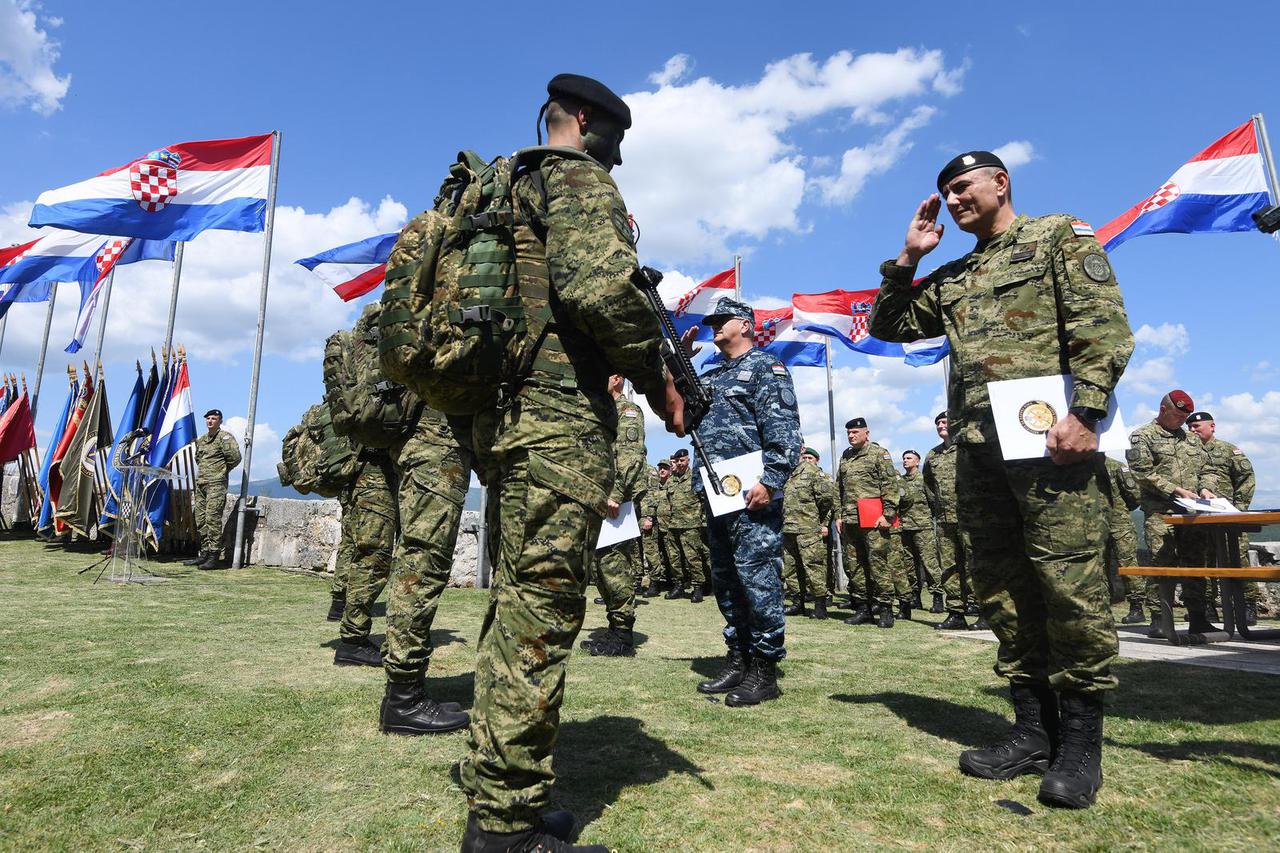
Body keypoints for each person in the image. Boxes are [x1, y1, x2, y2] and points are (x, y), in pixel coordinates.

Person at [457, 73, 682, 853]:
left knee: (516, 603)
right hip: (554, 424)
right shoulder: (575, 175)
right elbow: (599, 292)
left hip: (507, 421)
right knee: (543, 613)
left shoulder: (510, 183)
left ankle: (499, 782)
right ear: (586, 124)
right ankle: (506, 827)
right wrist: (658, 381)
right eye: (614, 140)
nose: (616, 157)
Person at [869, 150, 1134, 809]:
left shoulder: (1056, 237)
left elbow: (1103, 325)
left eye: (962, 187)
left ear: (1000, 183)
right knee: (1003, 591)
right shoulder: (955, 274)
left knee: (1069, 587)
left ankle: (1079, 746)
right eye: (945, 194)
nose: (953, 200)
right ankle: (1031, 730)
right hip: (980, 454)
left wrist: (1088, 411)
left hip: (1053, 445)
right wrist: (909, 258)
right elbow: (888, 324)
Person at [689, 296, 801, 706]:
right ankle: (739, 658)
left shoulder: (767, 369)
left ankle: (765, 669)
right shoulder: (711, 373)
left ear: (745, 325)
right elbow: (680, 418)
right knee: (727, 581)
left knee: (758, 579)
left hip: (753, 493)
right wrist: (676, 365)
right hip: (717, 492)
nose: (714, 326)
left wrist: (771, 481)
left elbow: (785, 430)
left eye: (722, 320)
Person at [379, 403, 473, 735]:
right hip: (437, 443)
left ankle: (405, 691)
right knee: (422, 567)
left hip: (428, 441)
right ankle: (404, 701)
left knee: (417, 562)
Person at [1127, 391, 1215, 635]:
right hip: (1160, 511)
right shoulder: (1142, 436)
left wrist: (1206, 487)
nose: (1181, 421)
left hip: (1191, 512)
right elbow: (1142, 473)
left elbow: (1208, 468)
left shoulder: (1192, 440)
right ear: (1163, 409)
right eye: (1178, 416)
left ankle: (1198, 616)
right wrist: (1176, 490)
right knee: (1161, 562)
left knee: (1195, 563)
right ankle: (1159, 617)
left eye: (1184, 417)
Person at [581, 375, 647, 656]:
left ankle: (623, 635)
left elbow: (630, 457)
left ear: (617, 379)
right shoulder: (603, 411)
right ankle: (614, 629)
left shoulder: (627, 411)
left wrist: (616, 493)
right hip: (600, 497)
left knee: (614, 565)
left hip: (616, 500)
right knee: (601, 567)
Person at [1188, 410, 1258, 622]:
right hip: (1200, 518)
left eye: (1196, 427)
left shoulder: (1228, 451)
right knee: (1204, 562)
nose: (1192, 430)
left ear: (1212, 426)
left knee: (1238, 560)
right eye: (1189, 427)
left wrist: (1239, 509)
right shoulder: (1187, 452)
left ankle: (1247, 605)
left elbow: (1247, 478)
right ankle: (1209, 607)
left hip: (1229, 518)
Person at [836, 417, 902, 628]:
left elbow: (890, 485)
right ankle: (863, 608)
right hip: (851, 519)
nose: (851, 436)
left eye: (855, 432)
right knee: (855, 566)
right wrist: (838, 515)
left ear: (866, 433)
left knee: (878, 563)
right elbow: (839, 488)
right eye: (848, 433)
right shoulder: (846, 456)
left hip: (874, 519)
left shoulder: (878, 454)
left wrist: (888, 514)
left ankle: (885, 609)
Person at [923, 413, 975, 630]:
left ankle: (981, 610)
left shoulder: (968, 448)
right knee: (949, 567)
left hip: (970, 516)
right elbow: (927, 485)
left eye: (944, 422)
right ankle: (956, 612)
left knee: (974, 564)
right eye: (938, 424)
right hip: (945, 520)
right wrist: (938, 508)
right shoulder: (933, 455)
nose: (941, 426)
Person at [782, 447, 837, 619]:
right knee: (790, 569)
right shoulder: (784, 472)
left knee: (814, 567)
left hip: (808, 529)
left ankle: (820, 605)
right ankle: (798, 603)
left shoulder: (813, 472)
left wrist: (816, 520)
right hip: (788, 528)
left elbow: (827, 500)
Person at [185, 408, 242, 569]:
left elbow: (235, 458)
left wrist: (221, 471)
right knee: (200, 519)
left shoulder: (224, 438)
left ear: (220, 421)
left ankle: (214, 555)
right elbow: (199, 459)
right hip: (201, 483)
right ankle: (204, 553)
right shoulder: (202, 440)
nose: (210, 421)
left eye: (214, 419)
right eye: (208, 418)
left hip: (216, 484)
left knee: (213, 518)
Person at [896, 449, 943, 614]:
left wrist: (930, 519)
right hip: (904, 527)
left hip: (923, 527)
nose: (905, 460)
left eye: (909, 458)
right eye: (904, 458)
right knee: (908, 565)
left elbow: (933, 501)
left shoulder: (924, 480)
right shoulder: (900, 481)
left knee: (929, 563)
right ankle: (915, 597)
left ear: (917, 461)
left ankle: (937, 597)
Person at [1102, 456, 1145, 625]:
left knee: (1128, 563)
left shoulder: (1117, 466)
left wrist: (1120, 509)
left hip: (1119, 522)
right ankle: (1103, 607)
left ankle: (1137, 607)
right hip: (1094, 524)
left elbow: (1134, 495)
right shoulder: (1080, 469)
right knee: (1098, 565)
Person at [664, 448, 711, 602]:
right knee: (674, 558)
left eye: (682, 460)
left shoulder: (695, 477)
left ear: (688, 460)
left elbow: (705, 500)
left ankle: (698, 587)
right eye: (677, 461)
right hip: (672, 525)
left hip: (691, 524)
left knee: (693, 557)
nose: (679, 463)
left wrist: (703, 521)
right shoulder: (671, 480)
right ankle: (678, 585)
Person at [640, 460, 673, 597]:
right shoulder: (635, 470)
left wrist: (649, 516)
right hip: (640, 515)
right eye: (661, 467)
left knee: (654, 551)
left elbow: (651, 496)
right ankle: (655, 581)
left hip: (651, 518)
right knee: (649, 551)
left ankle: (656, 582)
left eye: (665, 468)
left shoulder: (650, 472)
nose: (662, 470)